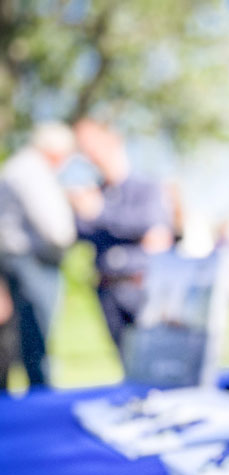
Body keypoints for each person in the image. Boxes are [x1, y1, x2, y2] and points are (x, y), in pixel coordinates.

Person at [71, 118, 174, 351]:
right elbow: (81, 231)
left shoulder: (146, 187)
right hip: (108, 288)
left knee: (155, 357)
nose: (90, 154)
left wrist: (100, 214)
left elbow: (151, 224)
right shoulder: (96, 191)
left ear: (114, 141)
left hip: (141, 285)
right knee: (126, 361)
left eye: (94, 145)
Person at [0, 122, 78, 388]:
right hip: (31, 263)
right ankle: (42, 402)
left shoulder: (18, 167)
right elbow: (55, 229)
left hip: (19, 262)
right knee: (37, 342)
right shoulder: (32, 170)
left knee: (20, 340)